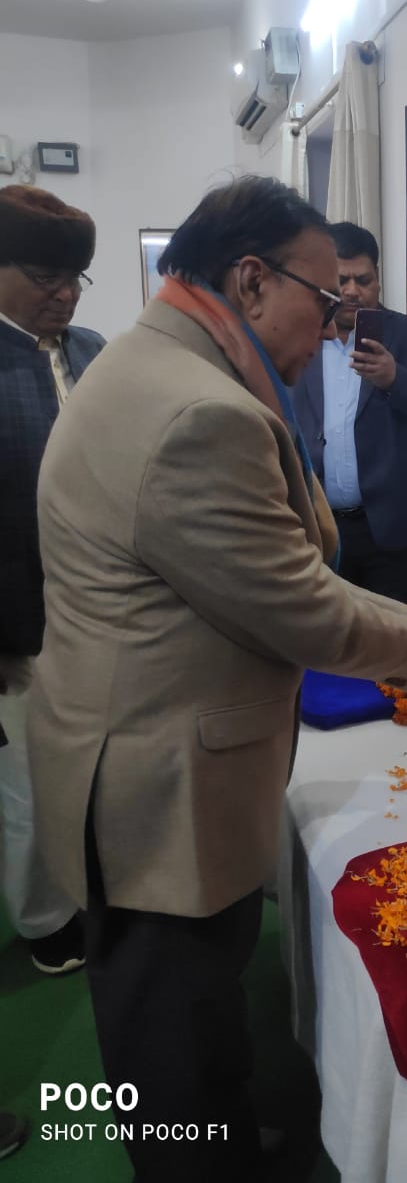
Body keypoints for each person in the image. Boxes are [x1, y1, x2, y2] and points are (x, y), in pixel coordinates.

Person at [26, 177, 407, 1183]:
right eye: (325, 301)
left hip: (142, 742)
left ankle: (223, 1131)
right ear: (250, 279)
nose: (337, 324)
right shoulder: (194, 410)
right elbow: (304, 606)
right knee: (170, 1024)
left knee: (199, 1010)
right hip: (157, 782)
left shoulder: (161, 359)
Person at [0, 184, 102, 976]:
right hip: (17, 623)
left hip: (104, 618)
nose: (64, 295)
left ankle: (96, 890)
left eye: (75, 281)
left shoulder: (95, 353)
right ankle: (44, 923)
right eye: (44, 278)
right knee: (29, 786)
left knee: (97, 769)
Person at [291, 221, 407, 610]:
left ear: (379, 279)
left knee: (401, 651)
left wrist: (395, 377)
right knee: (328, 646)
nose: (351, 291)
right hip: (318, 528)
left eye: (363, 279)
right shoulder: (301, 335)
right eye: (342, 279)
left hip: (396, 531)